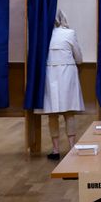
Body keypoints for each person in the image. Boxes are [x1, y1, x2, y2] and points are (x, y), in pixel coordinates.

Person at [39, 9, 84, 160]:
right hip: (67, 73)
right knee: (69, 112)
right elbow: (79, 58)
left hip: (49, 73)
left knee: (52, 113)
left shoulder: (42, 35)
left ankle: (56, 149)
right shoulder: (69, 33)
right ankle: (72, 147)